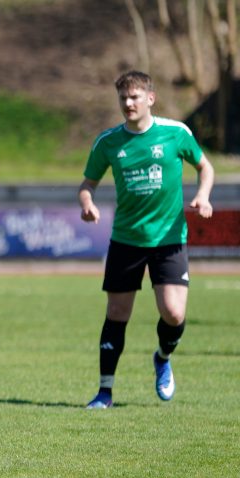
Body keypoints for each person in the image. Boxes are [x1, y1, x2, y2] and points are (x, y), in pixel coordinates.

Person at [79, 70, 214, 409]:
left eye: (135, 97)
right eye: (123, 98)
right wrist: (87, 204)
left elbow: (205, 167)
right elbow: (87, 184)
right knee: (117, 313)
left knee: (173, 312)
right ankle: (104, 391)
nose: (128, 103)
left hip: (169, 239)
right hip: (126, 240)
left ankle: (163, 357)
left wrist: (204, 196)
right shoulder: (108, 142)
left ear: (150, 99)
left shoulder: (175, 133)